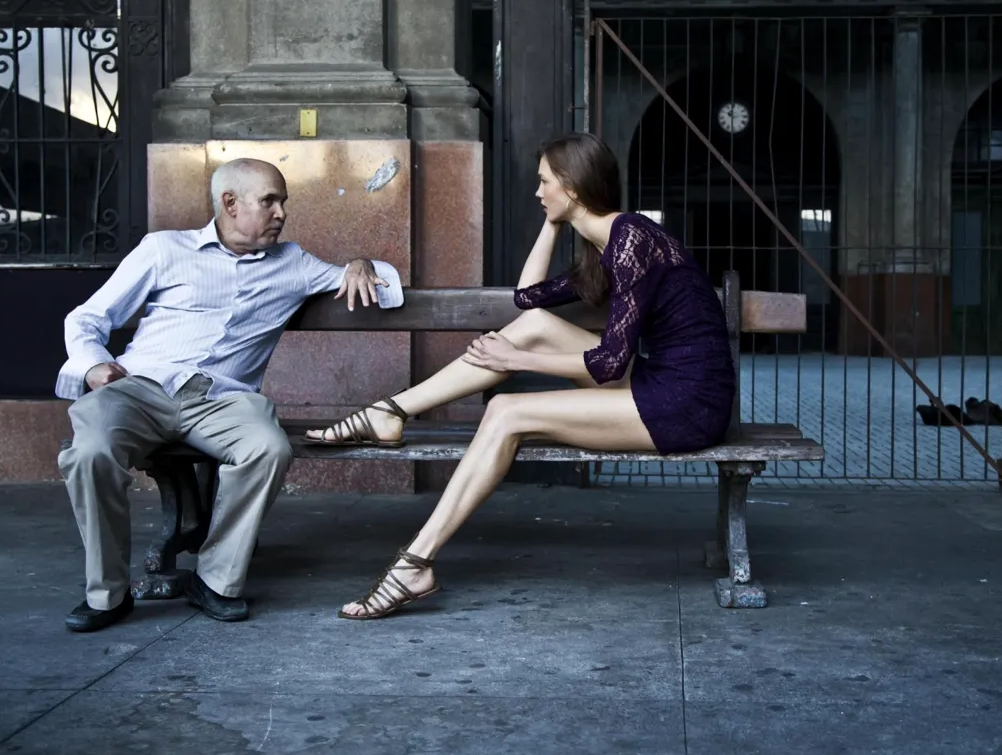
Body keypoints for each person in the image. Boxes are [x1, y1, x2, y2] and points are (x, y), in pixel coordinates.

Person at [307, 132, 735, 619]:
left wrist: (514, 362)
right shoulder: (603, 247)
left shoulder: (631, 238)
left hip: (688, 403)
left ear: (571, 186)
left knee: (507, 409)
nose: (536, 192)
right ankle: (392, 411)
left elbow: (611, 361)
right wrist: (552, 223)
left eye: (544, 182)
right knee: (533, 326)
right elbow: (526, 297)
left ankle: (415, 563)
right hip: (659, 383)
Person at [56, 157, 402, 632]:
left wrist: (360, 263)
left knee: (268, 446)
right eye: (270, 201)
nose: (281, 212)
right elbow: (86, 318)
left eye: (284, 202)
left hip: (223, 401)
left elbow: (384, 288)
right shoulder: (164, 250)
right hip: (140, 388)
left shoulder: (293, 264)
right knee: (89, 453)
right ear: (230, 203)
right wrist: (94, 364)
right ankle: (107, 595)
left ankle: (216, 579)